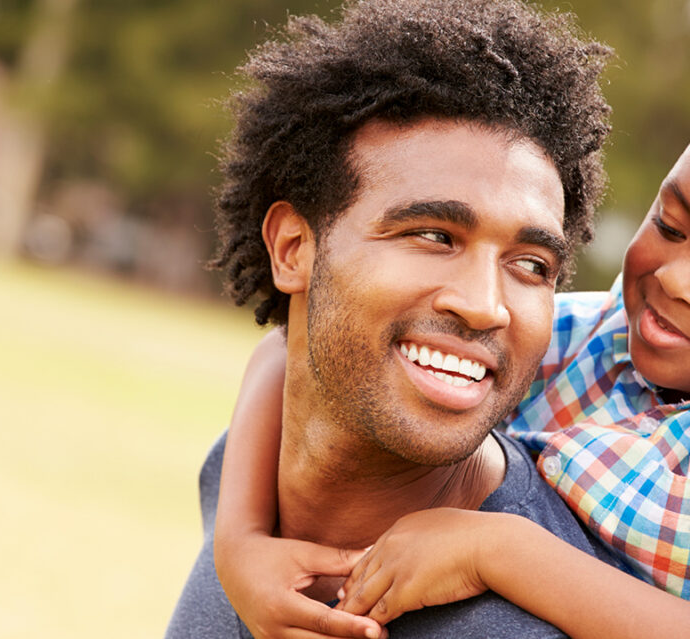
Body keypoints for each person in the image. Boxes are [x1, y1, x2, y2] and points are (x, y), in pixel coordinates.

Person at [216, 62, 690, 638]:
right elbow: (294, 345)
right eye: (670, 224)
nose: (677, 280)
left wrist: (497, 548)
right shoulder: (614, 337)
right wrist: (240, 542)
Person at [162, 0, 622, 637]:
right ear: (293, 249)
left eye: (531, 264)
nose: (485, 304)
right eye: (433, 235)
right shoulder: (244, 476)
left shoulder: (523, 620)